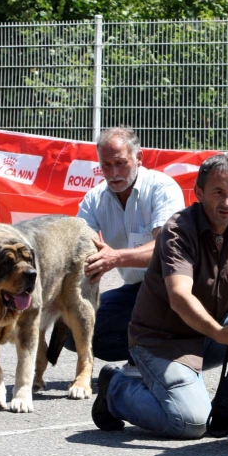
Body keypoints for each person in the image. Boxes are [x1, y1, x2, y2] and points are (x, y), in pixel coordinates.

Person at [91, 153, 228, 439]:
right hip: (161, 343)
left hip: (208, 335)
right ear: (199, 192)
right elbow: (180, 297)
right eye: (218, 193)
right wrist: (220, 333)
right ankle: (116, 388)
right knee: (190, 423)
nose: (227, 203)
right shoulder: (178, 231)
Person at [67, 126, 185, 370]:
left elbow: (166, 250)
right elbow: (76, 247)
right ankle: (149, 353)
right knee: (72, 329)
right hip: (135, 290)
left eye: (120, 163)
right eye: (106, 165)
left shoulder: (163, 188)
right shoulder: (94, 198)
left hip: (172, 287)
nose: (113, 173)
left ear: (139, 158)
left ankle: (168, 353)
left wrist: (115, 258)